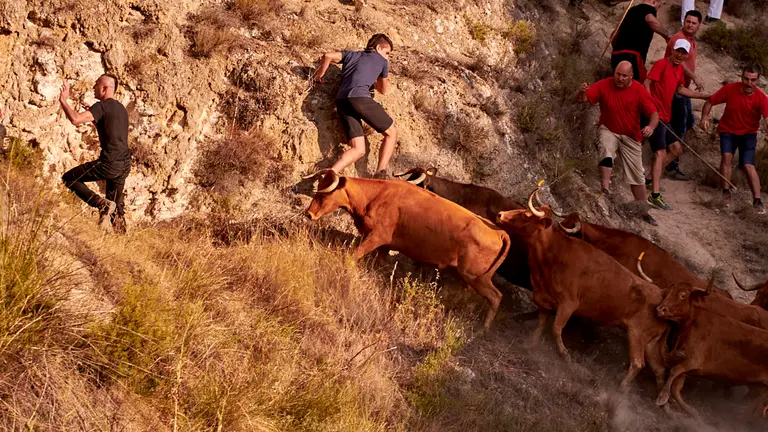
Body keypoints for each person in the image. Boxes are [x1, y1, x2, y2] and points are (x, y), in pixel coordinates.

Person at [577, 61, 660, 224]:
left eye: (624, 76)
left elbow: (654, 114)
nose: (620, 78)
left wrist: (651, 127)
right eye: (618, 74)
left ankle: (643, 209)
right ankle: (605, 188)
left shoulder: (639, 90)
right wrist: (581, 91)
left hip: (631, 136)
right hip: (609, 128)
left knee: (638, 175)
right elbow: (582, 99)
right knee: (606, 148)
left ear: (631, 77)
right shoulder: (604, 84)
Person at [314, 34, 397, 179]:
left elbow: (328, 56)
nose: (387, 56)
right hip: (360, 99)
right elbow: (383, 90)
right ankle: (380, 173)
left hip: (342, 101)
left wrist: (319, 75)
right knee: (391, 133)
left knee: (358, 149)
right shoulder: (382, 61)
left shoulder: (351, 54)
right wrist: (376, 77)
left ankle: (330, 174)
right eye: (387, 53)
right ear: (378, 48)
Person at [59, 74, 131, 233]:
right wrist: (94, 118)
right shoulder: (121, 109)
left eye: (96, 84)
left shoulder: (101, 106)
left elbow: (76, 119)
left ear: (105, 88)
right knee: (116, 208)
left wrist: (64, 101)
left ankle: (100, 204)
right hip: (124, 164)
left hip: (109, 163)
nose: (93, 87)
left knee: (70, 178)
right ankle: (121, 239)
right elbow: (110, 128)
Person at [643, 39, 710, 211]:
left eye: (684, 53)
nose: (680, 55)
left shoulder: (679, 69)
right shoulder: (661, 64)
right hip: (655, 115)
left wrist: (702, 96)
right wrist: (650, 107)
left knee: (676, 149)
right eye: (678, 51)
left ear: (687, 55)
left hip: (666, 116)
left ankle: (650, 179)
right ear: (672, 50)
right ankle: (654, 196)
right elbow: (647, 83)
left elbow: (680, 89)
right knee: (660, 153)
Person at [702, 66, 768, 214]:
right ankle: (726, 193)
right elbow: (710, 101)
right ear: (741, 77)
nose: (749, 83)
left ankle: (757, 200)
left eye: (753, 80)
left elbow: (767, 117)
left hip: (748, 134)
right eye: (746, 79)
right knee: (727, 157)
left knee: (748, 165)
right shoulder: (730, 89)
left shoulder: (761, 98)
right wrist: (704, 117)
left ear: (758, 80)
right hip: (728, 131)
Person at [664, 9, 704, 181]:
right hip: (675, 89)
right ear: (684, 21)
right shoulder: (678, 39)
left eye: (694, 23)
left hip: (683, 88)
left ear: (699, 25)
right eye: (688, 21)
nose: (690, 25)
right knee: (680, 125)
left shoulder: (691, 40)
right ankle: (671, 162)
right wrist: (694, 77)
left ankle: (667, 145)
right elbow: (679, 63)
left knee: (688, 122)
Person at [611, 0, 670, 83]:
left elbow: (614, 35)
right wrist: (667, 36)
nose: (657, 9)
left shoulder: (631, 10)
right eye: (659, 6)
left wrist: (617, 49)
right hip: (633, 56)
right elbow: (651, 20)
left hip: (616, 54)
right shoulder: (648, 9)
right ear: (654, 2)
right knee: (634, 85)